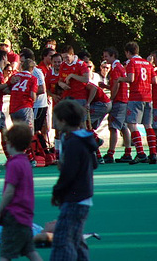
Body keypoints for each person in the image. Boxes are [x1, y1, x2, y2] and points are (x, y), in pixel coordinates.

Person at [50, 100, 98, 261]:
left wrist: (57, 191)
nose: (55, 123)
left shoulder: (73, 143)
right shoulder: (84, 139)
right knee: (76, 240)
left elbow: (68, 174)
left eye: (56, 119)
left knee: (63, 241)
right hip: (84, 197)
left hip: (74, 199)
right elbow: (94, 163)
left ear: (63, 121)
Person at [0, 123, 42, 261]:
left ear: (10, 143)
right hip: (25, 215)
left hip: (14, 215)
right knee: (30, 251)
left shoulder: (13, 164)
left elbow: (10, 191)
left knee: (5, 253)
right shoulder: (25, 162)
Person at [119, 42, 154, 165]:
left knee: (131, 124)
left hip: (136, 96)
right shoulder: (147, 63)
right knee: (148, 125)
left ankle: (140, 153)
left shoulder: (131, 63)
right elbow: (154, 80)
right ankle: (153, 153)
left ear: (128, 52)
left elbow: (131, 79)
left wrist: (120, 79)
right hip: (148, 96)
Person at [101, 47, 131, 163]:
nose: (105, 59)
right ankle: (127, 151)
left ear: (113, 56)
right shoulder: (119, 67)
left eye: (106, 56)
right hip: (122, 99)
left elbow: (117, 85)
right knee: (123, 126)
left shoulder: (116, 68)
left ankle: (110, 153)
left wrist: (111, 98)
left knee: (113, 127)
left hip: (119, 100)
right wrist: (106, 87)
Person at [9, 59, 38, 131]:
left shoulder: (14, 76)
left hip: (13, 108)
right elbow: (32, 94)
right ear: (32, 68)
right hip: (25, 107)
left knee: (17, 132)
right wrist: (34, 99)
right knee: (28, 132)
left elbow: (6, 88)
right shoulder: (33, 78)